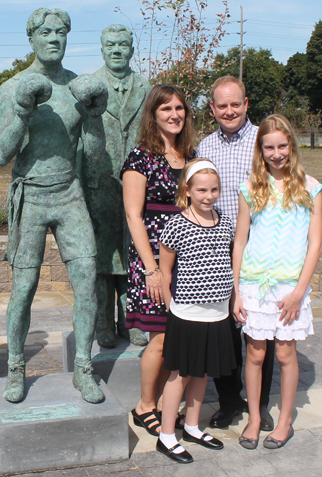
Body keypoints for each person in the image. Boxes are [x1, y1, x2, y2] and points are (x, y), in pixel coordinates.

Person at [0, 8, 108, 404]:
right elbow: (0, 154)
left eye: (61, 32)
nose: (54, 38)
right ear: (32, 38)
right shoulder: (11, 88)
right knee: (23, 288)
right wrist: (23, 111)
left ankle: (83, 368)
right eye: (45, 32)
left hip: (69, 193)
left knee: (87, 282)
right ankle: (15, 369)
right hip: (32, 197)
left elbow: (93, 155)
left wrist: (93, 115)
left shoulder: (78, 86)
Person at [233, 114, 322, 450]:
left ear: (291, 145)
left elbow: (314, 243)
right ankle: (255, 418)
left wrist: (299, 291)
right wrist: (237, 292)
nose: (276, 153)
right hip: (253, 286)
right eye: (269, 147)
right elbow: (240, 240)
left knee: (286, 355)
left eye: (282, 145)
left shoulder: (310, 188)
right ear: (261, 150)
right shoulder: (250, 188)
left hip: (289, 288)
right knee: (254, 356)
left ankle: (284, 421)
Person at [196, 75, 275, 430]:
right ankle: (229, 401)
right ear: (212, 109)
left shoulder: (264, 141)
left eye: (235, 104)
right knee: (223, 331)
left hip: (259, 249)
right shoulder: (204, 147)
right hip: (216, 250)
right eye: (221, 105)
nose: (229, 111)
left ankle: (259, 404)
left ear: (246, 104)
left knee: (261, 330)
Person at [121, 84, 194, 436]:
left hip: (187, 260)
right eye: (166, 109)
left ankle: (167, 403)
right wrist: (151, 270)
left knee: (178, 335)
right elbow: (134, 216)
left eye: (179, 108)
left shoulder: (190, 156)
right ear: (154, 114)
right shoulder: (141, 156)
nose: (174, 114)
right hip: (152, 259)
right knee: (161, 337)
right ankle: (144, 405)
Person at [157, 158, 236, 464]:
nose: (208, 196)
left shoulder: (226, 222)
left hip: (217, 313)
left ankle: (191, 426)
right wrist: (169, 305)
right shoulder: (176, 224)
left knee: (203, 372)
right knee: (181, 374)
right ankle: (166, 435)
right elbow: (166, 269)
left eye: (214, 189)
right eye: (202, 190)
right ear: (187, 190)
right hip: (187, 313)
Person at [83, 24, 152, 348]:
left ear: (132, 49)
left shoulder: (146, 87)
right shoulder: (90, 87)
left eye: (122, 44)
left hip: (138, 184)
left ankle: (131, 321)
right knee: (101, 260)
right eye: (110, 44)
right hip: (100, 186)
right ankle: (103, 326)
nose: (116, 50)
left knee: (133, 254)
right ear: (102, 49)